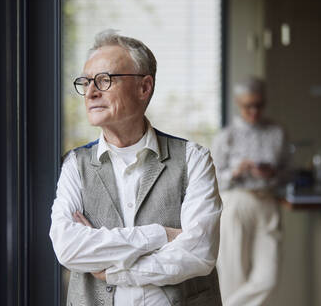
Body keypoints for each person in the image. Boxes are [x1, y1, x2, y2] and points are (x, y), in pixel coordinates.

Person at [49, 30, 222, 306]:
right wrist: (161, 235)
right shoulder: (74, 164)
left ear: (144, 87)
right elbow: (68, 248)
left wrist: (115, 272)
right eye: (86, 82)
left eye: (104, 80)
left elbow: (199, 253)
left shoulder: (194, 159)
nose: (91, 92)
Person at [211, 77, 290, 306]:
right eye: (248, 106)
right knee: (233, 277)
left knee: (268, 278)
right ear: (238, 103)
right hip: (236, 203)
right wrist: (236, 172)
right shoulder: (226, 136)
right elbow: (212, 181)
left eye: (259, 105)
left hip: (268, 204)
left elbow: (289, 171)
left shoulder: (277, 132)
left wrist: (273, 173)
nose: (254, 111)